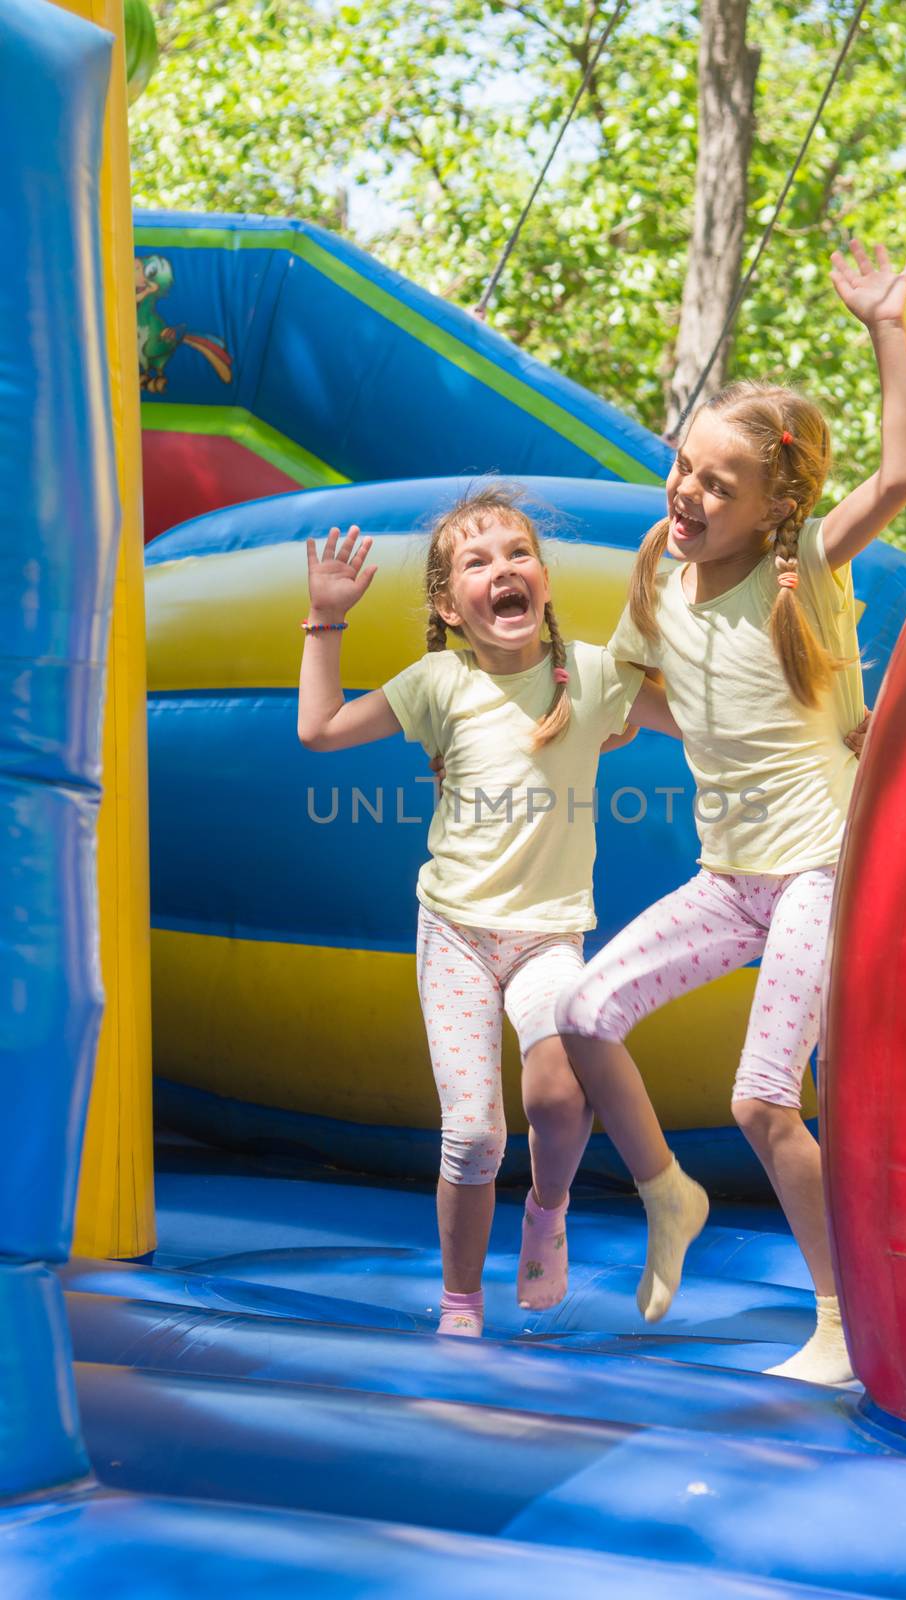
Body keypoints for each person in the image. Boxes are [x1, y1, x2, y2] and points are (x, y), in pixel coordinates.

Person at [555, 240, 906, 1384]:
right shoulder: (655, 571)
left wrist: (884, 328)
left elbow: (900, 477)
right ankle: (669, 1192)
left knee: (764, 1100)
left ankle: (837, 1325)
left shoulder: (801, 565)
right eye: (683, 468)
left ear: (773, 507)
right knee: (581, 1008)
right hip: (731, 878)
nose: (688, 493)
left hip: (822, 867)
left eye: (719, 484)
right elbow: (655, 705)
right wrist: (597, 717)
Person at [297, 486, 681, 1336]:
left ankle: (546, 1209)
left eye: (516, 555)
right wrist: (325, 620)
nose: (501, 570)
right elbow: (319, 730)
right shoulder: (439, 681)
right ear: (449, 605)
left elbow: (695, 722)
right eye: (477, 562)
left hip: (549, 936)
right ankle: (461, 1303)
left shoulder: (589, 674)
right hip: (459, 936)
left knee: (557, 1097)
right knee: (472, 1136)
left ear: (541, 580)